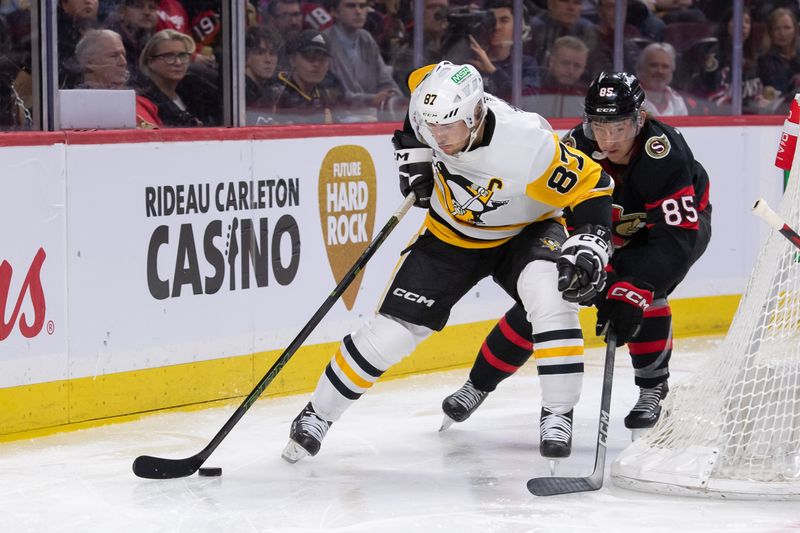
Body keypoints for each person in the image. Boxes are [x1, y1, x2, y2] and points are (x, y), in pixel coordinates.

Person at [281, 60, 614, 465]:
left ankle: (558, 414)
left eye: (447, 127)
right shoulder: (430, 100)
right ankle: (318, 414)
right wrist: (416, 157)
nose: (438, 137)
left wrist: (593, 239)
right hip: (450, 235)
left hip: (525, 231)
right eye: (431, 127)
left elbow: (592, 184)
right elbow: (414, 109)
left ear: (475, 115)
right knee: (392, 334)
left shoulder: (526, 143)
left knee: (550, 298)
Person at [441, 71, 711, 441]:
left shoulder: (663, 153)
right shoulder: (574, 147)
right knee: (543, 299)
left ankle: (652, 389)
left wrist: (634, 288)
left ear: (640, 119)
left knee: (642, 296)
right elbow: (555, 214)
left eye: (619, 127)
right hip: (600, 232)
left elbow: (675, 238)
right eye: (600, 126)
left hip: (667, 233)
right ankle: (478, 384)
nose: (609, 139)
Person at [322, 0, 404, 121]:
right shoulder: (325, 41)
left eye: (362, 6)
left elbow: (385, 80)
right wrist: (371, 99)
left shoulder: (366, 38)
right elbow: (334, 94)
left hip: (372, 117)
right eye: (351, 6)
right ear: (334, 12)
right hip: (338, 118)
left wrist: (394, 95)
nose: (358, 11)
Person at [265, 29, 346, 124]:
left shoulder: (325, 92)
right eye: (310, 57)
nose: (317, 64)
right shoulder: (276, 94)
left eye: (323, 59)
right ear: (293, 60)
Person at [467, 0, 540, 101]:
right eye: (491, 20)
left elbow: (528, 99)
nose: (496, 27)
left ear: (519, 26)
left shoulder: (526, 64)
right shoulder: (470, 61)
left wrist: (494, 71)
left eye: (504, 20)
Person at [137, 28, 211, 126]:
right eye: (169, 56)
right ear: (150, 62)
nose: (178, 62)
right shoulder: (144, 101)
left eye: (182, 56)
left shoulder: (195, 94)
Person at [529, 35, 589, 118]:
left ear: (583, 68)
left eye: (577, 66)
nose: (571, 71)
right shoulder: (533, 86)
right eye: (565, 63)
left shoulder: (586, 96)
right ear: (551, 62)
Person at [758, 7, 800, 114]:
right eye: (777, 29)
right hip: (776, 112)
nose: (782, 33)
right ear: (771, 32)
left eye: (787, 28)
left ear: (795, 30)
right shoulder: (763, 60)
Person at [636, 42, 688, 116]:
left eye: (665, 66)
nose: (660, 71)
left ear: (672, 70)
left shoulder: (676, 101)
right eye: (654, 65)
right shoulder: (629, 99)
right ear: (641, 67)